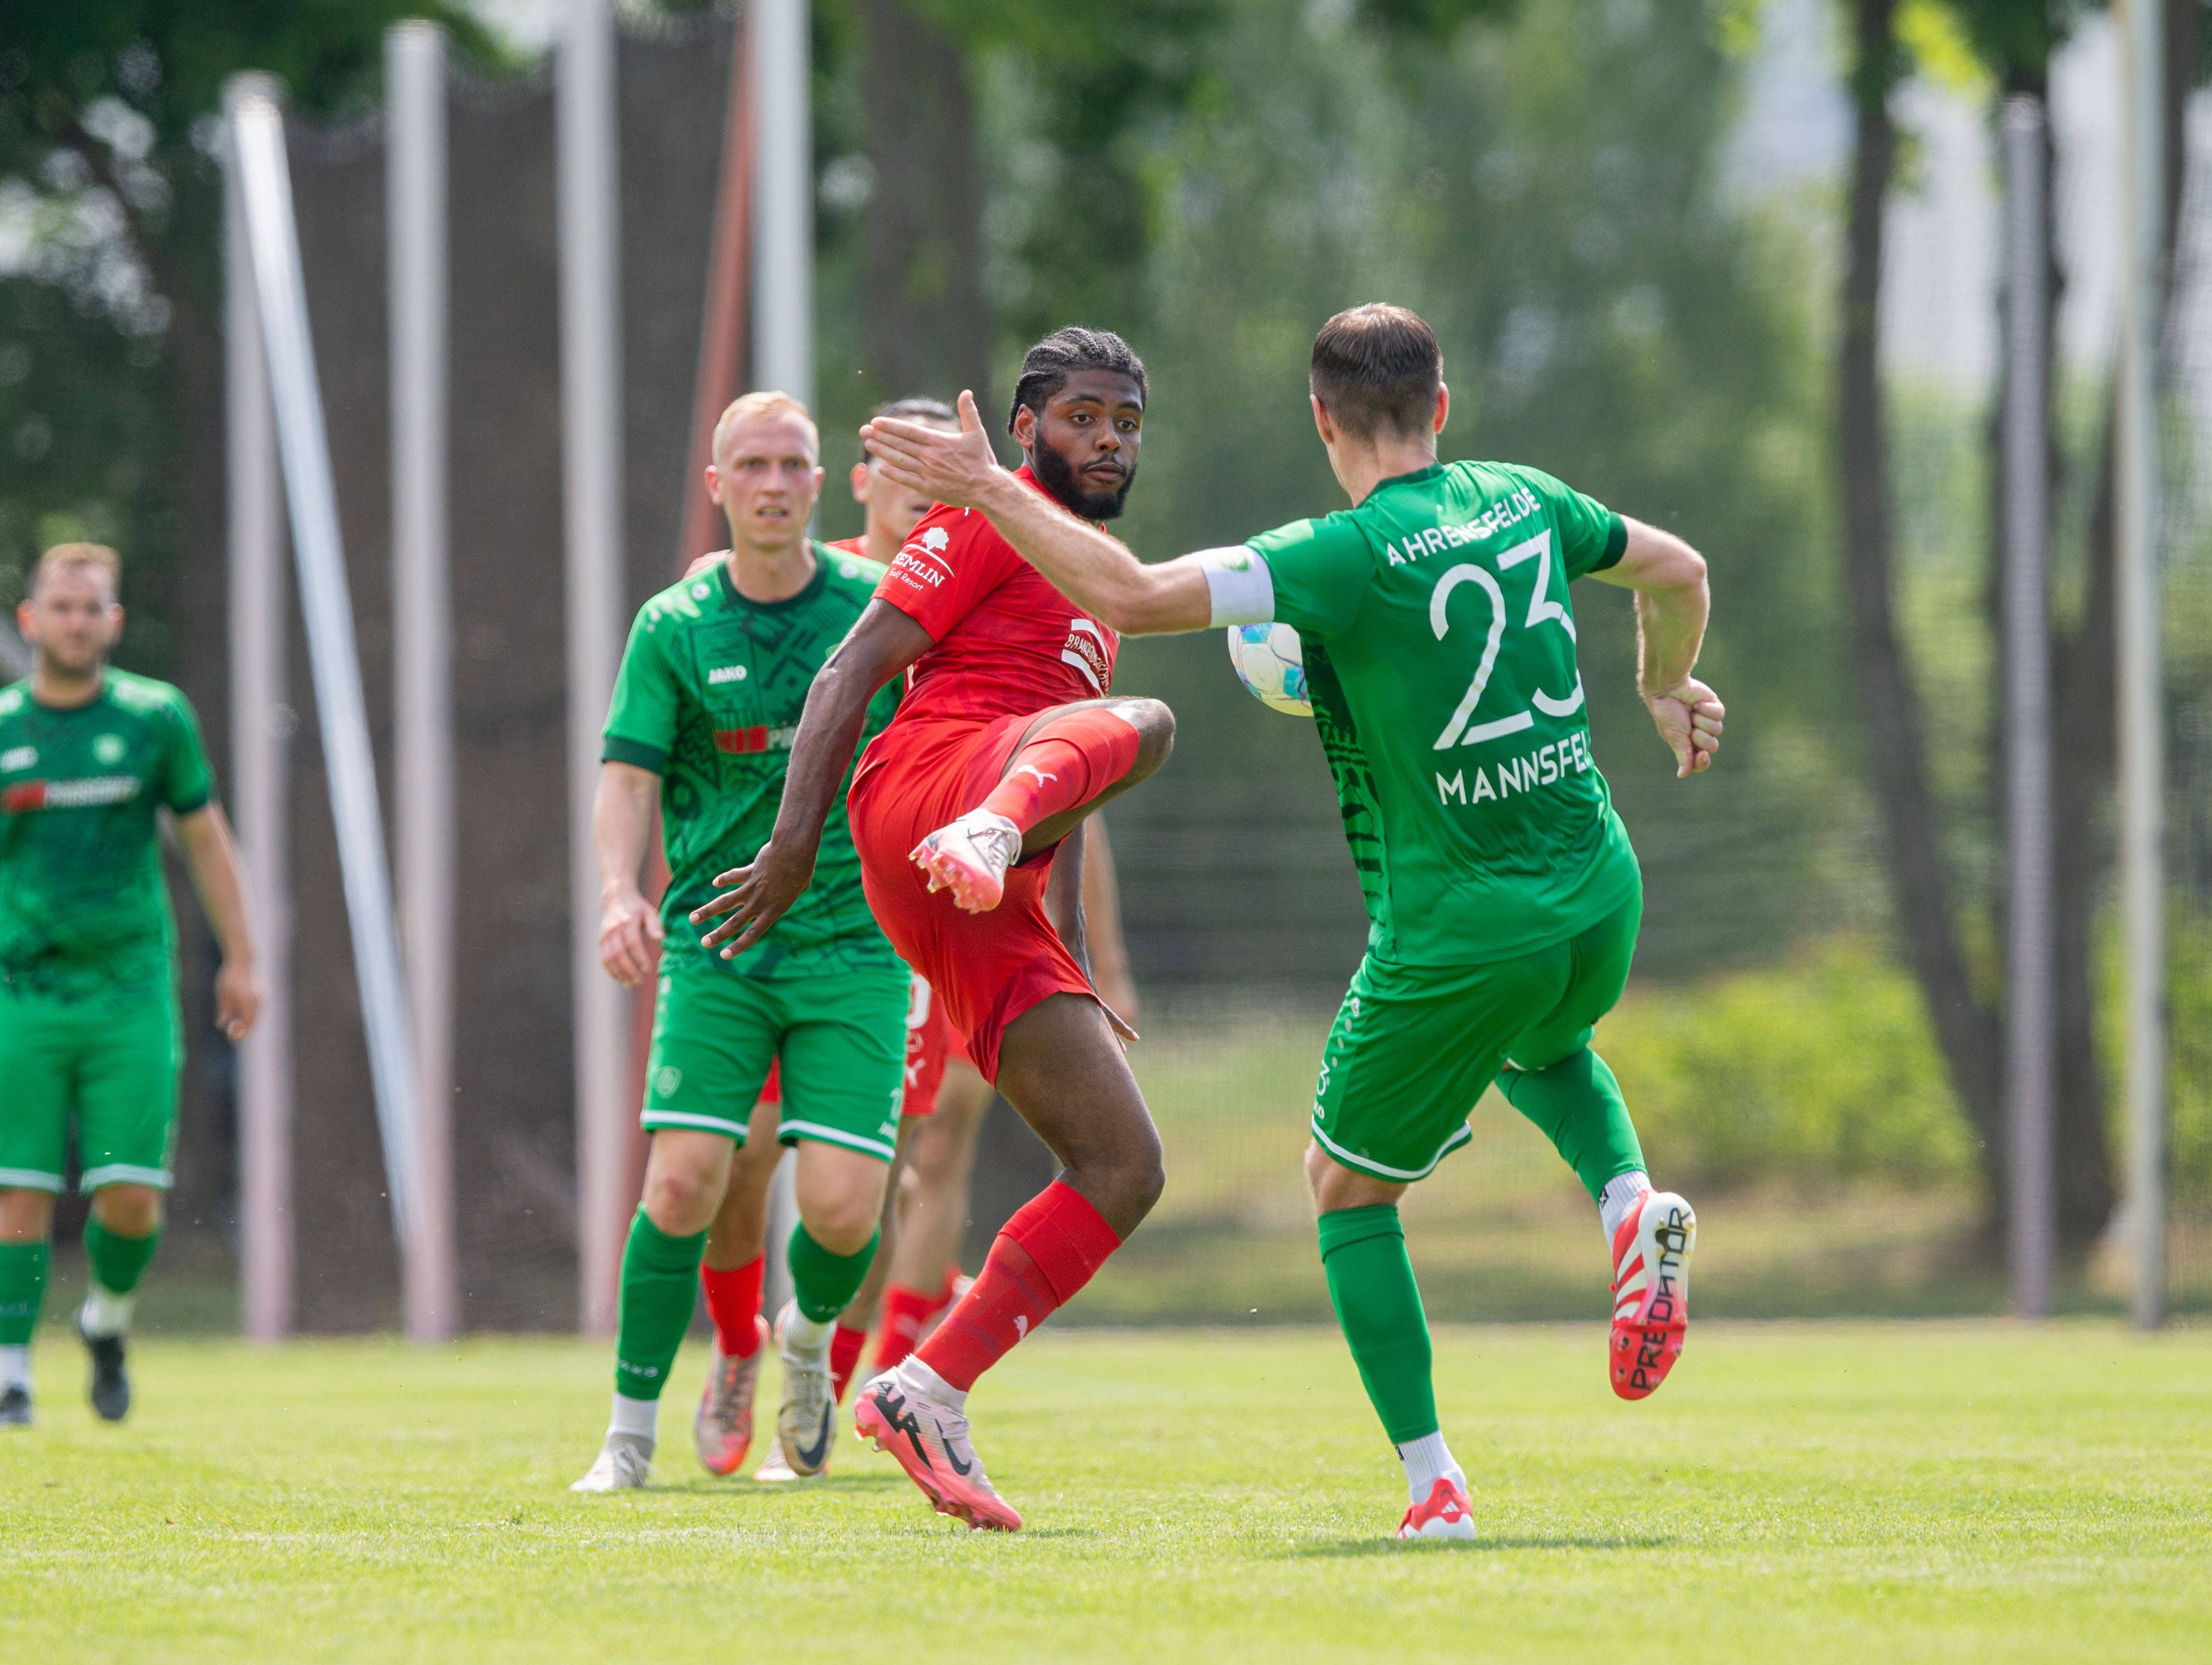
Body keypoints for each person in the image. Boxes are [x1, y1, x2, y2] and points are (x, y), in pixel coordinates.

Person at [859, 303, 1721, 1541]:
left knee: (1346, 1193)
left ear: (1321, 419)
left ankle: (1434, 1486)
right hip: (1598, 895)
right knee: (1546, 1045)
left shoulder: (1336, 554)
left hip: (1459, 933)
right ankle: (1627, 1201)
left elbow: (1132, 594)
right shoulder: (1525, 493)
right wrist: (1665, 682)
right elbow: (1679, 571)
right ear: (1441, 405)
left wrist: (990, 485)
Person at [699, 330, 1175, 1532]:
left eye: (1123, 422)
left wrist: (1071, 947)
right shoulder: (986, 518)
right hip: (927, 793)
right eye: (1079, 417)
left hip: (990, 876)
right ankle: (734, 1355)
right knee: (1150, 721)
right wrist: (792, 845)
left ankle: (926, 1389)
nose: (1106, 440)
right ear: (1023, 430)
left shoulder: (1098, 581)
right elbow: (844, 673)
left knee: (1123, 1167)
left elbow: (1072, 778)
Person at [574, 391, 910, 1493]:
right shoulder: (672, 625)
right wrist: (617, 894)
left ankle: (803, 1345)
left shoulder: (877, 609)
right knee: (684, 1184)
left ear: (820, 483)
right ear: (717, 486)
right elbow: (627, 776)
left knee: (843, 1212)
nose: (774, 484)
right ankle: (628, 1440)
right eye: (752, 466)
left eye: (792, 464)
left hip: (855, 947)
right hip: (714, 949)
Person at [0, 544, 261, 1428]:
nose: (76, 623)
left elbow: (205, 838)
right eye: (62, 607)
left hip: (131, 992)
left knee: (130, 1194)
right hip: (24, 996)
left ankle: (105, 1321)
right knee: (18, 1190)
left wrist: (241, 956)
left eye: (91, 609)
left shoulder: (156, 719)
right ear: (31, 619)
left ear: (113, 623)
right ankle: (12, 1381)